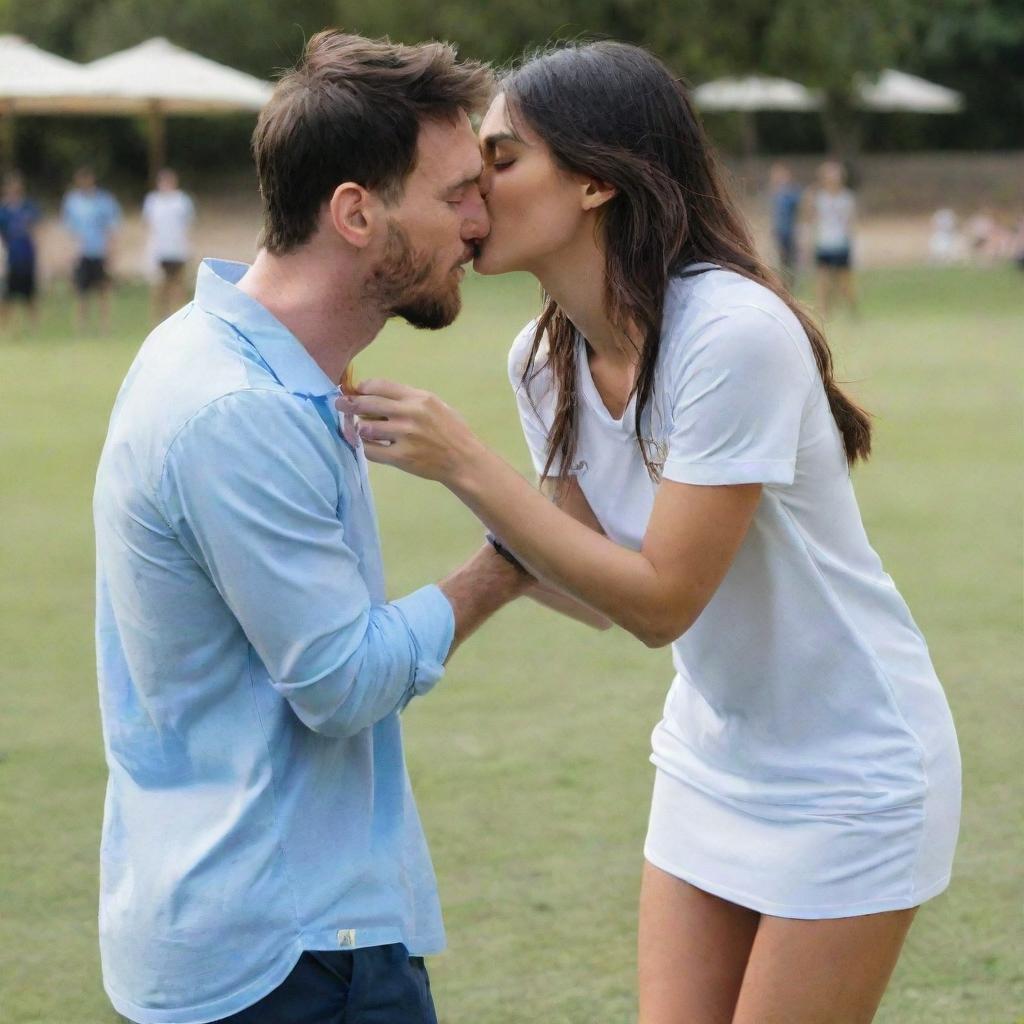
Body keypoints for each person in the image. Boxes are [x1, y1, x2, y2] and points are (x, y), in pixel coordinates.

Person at [345, 42, 961, 1024]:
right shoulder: (541, 357)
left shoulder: (730, 334)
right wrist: (409, 597)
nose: (473, 188)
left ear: (595, 179)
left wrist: (464, 461)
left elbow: (660, 600)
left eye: (501, 160)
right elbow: (588, 584)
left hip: (851, 771)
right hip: (711, 760)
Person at [93, 31, 603, 1024]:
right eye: (455, 190)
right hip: (290, 956)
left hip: (259, 931)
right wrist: (506, 557)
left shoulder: (224, 354)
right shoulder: (237, 408)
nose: (479, 216)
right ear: (356, 213)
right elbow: (342, 682)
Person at [61, 166, 121, 334]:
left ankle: (104, 326)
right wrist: (69, 253)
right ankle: (81, 328)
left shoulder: (104, 200)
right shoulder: (72, 201)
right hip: (81, 253)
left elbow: (111, 228)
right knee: (81, 293)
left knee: (103, 291)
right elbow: (69, 230)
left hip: (99, 251)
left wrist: (112, 252)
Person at [142, 167, 196, 322]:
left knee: (178, 287)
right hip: (159, 251)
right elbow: (148, 225)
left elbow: (188, 225)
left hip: (178, 250)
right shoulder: (152, 201)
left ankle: (178, 319)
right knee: (158, 289)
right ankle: (157, 321)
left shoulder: (182, 201)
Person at [812, 159, 858, 318]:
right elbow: (812, 220)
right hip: (824, 244)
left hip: (840, 245)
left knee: (844, 282)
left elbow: (851, 223)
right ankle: (824, 313)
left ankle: (853, 311)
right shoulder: (819, 198)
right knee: (823, 282)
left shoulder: (847, 198)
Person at [0, 171, 42, 334]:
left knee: (30, 296)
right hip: (10, 259)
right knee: (7, 298)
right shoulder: (3, 210)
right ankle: (5, 330)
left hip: (27, 257)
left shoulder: (28, 207)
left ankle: (34, 329)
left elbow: (37, 231)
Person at [768, 162, 802, 288]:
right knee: (781, 259)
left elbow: (799, 210)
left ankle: (791, 284)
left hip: (790, 232)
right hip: (779, 232)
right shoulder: (775, 193)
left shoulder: (792, 191)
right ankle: (783, 283)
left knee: (790, 260)